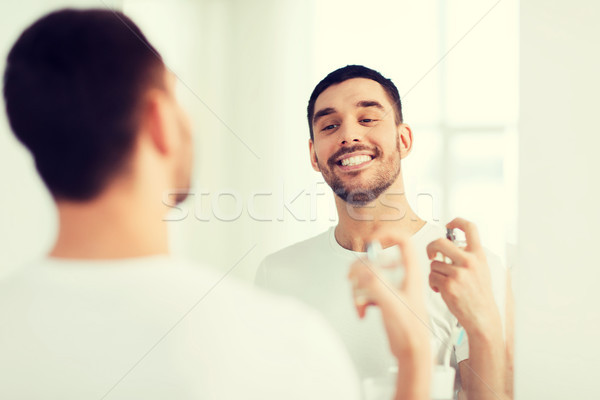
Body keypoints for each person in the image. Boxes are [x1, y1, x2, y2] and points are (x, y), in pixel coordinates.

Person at [0, 9, 434, 400]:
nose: (350, 135)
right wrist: (415, 359)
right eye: (177, 96)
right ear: (159, 121)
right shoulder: (284, 339)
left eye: (369, 117)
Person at [255, 65, 514, 398]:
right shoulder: (275, 274)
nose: (349, 136)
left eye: (367, 120)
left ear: (403, 139)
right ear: (314, 155)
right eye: (330, 125)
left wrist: (484, 329)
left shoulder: (468, 269)